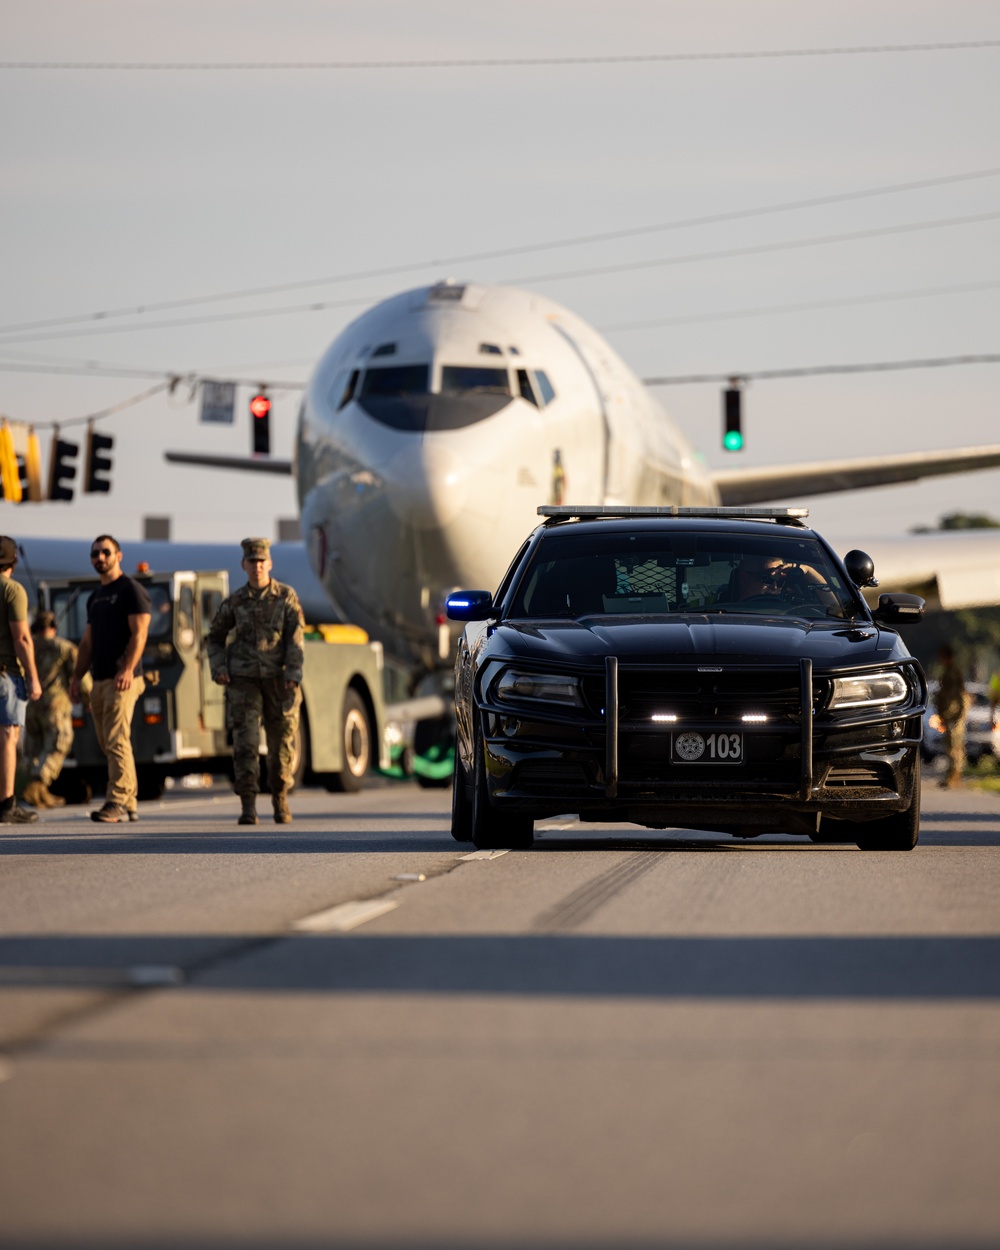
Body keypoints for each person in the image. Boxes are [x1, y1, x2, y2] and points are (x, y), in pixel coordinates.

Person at [206, 538, 304, 826]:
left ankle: (280, 799)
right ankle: (248, 805)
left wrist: (292, 674)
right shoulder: (235, 602)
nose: (257, 567)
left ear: (270, 564)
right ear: (243, 565)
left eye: (262, 562)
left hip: (278, 681)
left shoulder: (286, 597)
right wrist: (219, 668)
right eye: (252, 562)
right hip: (244, 683)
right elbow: (214, 638)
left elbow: (295, 640)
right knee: (246, 744)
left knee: (281, 744)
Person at [69, 536, 151, 823]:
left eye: (106, 552)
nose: (100, 557)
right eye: (95, 553)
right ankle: (129, 802)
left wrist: (128, 669)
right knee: (108, 743)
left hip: (123, 678)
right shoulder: (95, 597)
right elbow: (87, 643)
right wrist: (77, 677)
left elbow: (140, 633)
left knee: (116, 739)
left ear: (119, 555)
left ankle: (116, 800)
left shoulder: (131, 590)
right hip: (100, 679)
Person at [0, 537, 42, 825]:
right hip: (6, 673)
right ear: (13, 563)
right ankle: (7, 803)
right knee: (7, 737)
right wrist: (34, 678)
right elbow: (22, 638)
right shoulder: (12, 591)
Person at [22, 611, 78, 809]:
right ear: (53, 628)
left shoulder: (26, 648)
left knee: (35, 749)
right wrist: (89, 698)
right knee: (58, 745)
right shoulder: (64, 648)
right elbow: (80, 677)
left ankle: (41, 793)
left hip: (30, 707)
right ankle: (38, 785)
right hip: (55, 708)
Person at [934, 642, 968, 790]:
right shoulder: (950, 671)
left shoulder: (952, 672)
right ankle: (953, 776)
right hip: (951, 712)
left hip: (953, 713)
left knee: (953, 746)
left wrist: (959, 711)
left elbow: (958, 694)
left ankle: (953, 777)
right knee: (953, 745)